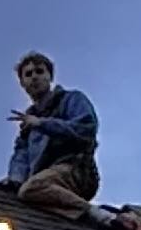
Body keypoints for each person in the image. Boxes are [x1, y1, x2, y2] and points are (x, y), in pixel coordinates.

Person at [6, 54, 100, 215]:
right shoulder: (28, 121)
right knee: (20, 192)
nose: (34, 77)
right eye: (28, 74)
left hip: (75, 170)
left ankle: (99, 215)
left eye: (39, 71)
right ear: (22, 83)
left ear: (50, 76)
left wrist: (43, 124)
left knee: (31, 189)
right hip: (44, 178)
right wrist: (14, 180)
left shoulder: (71, 99)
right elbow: (21, 155)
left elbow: (86, 128)